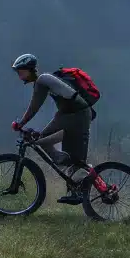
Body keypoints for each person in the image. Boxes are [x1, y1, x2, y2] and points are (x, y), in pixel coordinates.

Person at [9, 53, 94, 204]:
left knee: (76, 159)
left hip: (77, 115)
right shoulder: (44, 81)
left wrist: (21, 123)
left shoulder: (43, 80)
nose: (20, 76)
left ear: (29, 69)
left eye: (21, 72)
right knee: (41, 139)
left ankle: (79, 182)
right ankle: (66, 165)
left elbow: (34, 106)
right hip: (67, 115)